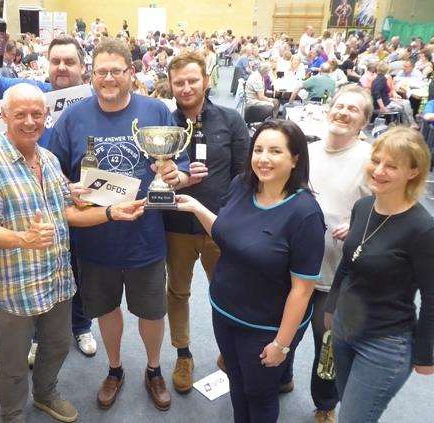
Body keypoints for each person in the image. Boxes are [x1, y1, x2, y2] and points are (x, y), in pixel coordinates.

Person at [0, 83, 145, 422]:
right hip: (16, 286)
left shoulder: (48, 159)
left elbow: (68, 211)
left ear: (46, 117)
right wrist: (24, 239)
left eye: (37, 113)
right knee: (13, 360)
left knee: (58, 345)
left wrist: (111, 213)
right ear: (4, 116)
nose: (30, 121)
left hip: (57, 280)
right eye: (20, 114)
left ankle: (46, 394)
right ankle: (13, 412)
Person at [48, 38, 191, 411]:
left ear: (131, 72)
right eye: (101, 72)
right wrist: (70, 189)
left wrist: (176, 173)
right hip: (96, 239)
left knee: (151, 311)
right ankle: (114, 369)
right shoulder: (73, 117)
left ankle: (154, 369)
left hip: (145, 236)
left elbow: (182, 163)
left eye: (116, 71)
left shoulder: (156, 111)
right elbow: (52, 172)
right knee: (106, 309)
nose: (108, 78)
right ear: (92, 75)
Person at [175, 119, 325, 423]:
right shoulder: (242, 184)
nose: (263, 158)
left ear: (295, 158)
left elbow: (303, 289)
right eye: (258, 149)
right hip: (225, 312)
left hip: (265, 327)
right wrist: (196, 208)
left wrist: (282, 345)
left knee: (259, 394)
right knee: (237, 384)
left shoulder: (305, 213)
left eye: (275, 151)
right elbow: (226, 232)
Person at [0, 34, 99, 359]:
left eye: (69, 61)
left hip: (73, 199)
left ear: (83, 67)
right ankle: (37, 337)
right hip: (26, 198)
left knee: (73, 270)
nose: (61, 67)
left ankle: (80, 326)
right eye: (55, 60)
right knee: (32, 274)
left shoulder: (93, 101)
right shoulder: (34, 93)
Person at [324, 127, 434, 422]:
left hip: (384, 345)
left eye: (391, 166)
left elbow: (432, 298)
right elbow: (347, 263)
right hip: (345, 330)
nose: (378, 171)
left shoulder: (423, 229)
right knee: (349, 405)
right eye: (376, 160)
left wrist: (425, 355)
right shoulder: (363, 207)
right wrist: (332, 306)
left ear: (412, 172)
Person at [165, 52, 249, 393]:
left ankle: (228, 354)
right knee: (177, 292)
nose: (186, 87)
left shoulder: (231, 121)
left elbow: (244, 176)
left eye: (192, 80)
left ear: (206, 81)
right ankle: (183, 354)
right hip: (175, 225)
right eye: (179, 82)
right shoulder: (163, 124)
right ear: (170, 85)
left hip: (219, 226)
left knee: (227, 292)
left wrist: (233, 222)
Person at [306, 84, 373, 423]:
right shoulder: (308, 152)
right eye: (340, 105)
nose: (344, 113)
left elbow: (389, 210)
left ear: (363, 123)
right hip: (297, 269)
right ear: (329, 108)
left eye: (354, 110)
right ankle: (282, 377)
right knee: (281, 330)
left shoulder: (371, 160)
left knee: (328, 345)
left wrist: (358, 224)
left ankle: (325, 405)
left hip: (338, 277)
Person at [371, 62, 417, 128]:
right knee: (404, 106)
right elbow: (377, 94)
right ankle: (408, 124)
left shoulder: (378, 78)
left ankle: (409, 124)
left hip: (386, 101)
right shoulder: (382, 79)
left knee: (406, 102)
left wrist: (393, 99)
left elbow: (382, 94)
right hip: (383, 105)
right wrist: (382, 107)